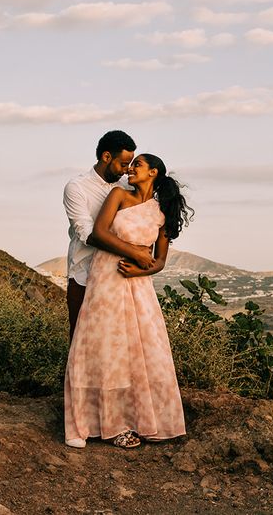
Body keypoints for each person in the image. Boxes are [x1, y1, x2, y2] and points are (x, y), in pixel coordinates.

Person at [64, 153, 193, 449]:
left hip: (138, 284)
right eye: (130, 164)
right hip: (106, 278)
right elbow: (98, 232)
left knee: (143, 350)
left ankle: (138, 420)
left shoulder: (161, 212)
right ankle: (91, 425)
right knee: (102, 346)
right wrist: (135, 253)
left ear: (154, 173)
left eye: (139, 165)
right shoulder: (119, 195)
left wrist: (141, 268)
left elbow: (159, 260)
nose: (131, 169)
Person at [62, 130, 154, 342]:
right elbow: (88, 235)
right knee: (81, 338)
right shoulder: (77, 188)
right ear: (106, 157)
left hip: (117, 275)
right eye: (123, 164)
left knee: (116, 338)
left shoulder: (127, 186)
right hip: (84, 274)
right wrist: (134, 252)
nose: (126, 170)